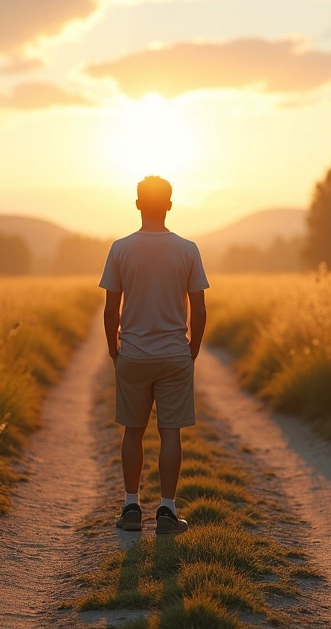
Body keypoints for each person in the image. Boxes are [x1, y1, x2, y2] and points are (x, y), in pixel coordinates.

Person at [99, 175, 209, 535]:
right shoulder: (188, 249)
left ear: (137, 205)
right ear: (170, 205)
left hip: (132, 353)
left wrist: (114, 349)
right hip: (174, 354)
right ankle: (166, 511)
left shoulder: (120, 248)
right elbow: (200, 309)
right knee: (170, 432)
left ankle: (131, 506)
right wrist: (191, 350)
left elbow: (111, 310)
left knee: (133, 431)